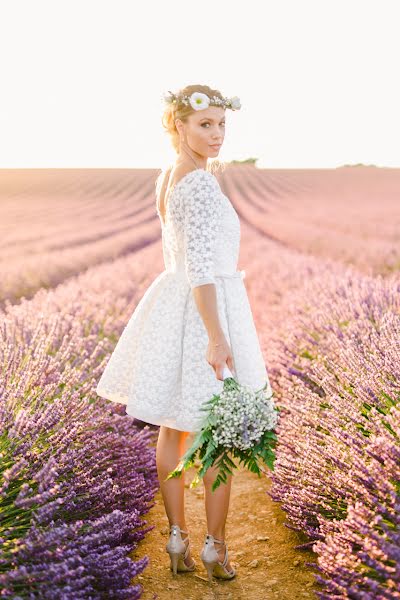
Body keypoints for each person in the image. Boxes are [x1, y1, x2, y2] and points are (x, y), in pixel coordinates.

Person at [95, 84, 273, 582]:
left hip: (178, 307)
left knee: (174, 427)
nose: (216, 135)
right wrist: (217, 337)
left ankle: (177, 538)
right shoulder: (196, 183)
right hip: (203, 310)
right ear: (179, 125)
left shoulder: (172, 175)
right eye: (205, 125)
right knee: (215, 432)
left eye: (221, 125)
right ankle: (215, 548)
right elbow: (199, 267)